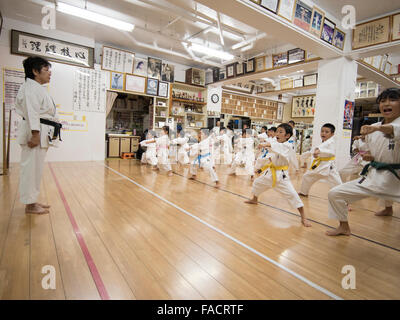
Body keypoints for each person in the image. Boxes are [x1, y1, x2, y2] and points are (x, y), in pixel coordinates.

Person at [327, 88, 400, 236]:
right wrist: (369, 156)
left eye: (392, 100)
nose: (386, 104)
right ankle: (344, 226)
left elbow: (393, 130)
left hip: (397, 179)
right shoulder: (374, 128)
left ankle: (388, 208)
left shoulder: (380, 127)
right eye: (383, 101)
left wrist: (377, 128)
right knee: (335, 193)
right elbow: (373, 152)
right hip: (374, 177)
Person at [244, 123, 311, 227]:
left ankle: (303, 216)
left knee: (292, 195)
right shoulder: (275, 143)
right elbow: (270, 156)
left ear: (287, 136)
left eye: (281, 132)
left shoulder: (287, 146)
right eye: (277, 131)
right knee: (257, 183)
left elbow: (280, 149)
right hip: (270, 173)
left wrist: (266, 145)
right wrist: (260, 168)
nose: (277, 134)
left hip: (281, 177)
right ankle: (254, 199)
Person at [15, 56, 57, 214]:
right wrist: (35, 134)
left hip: (40, 130)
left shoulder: (36, 88)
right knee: (30, 169)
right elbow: (32, 112)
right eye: (46, 70)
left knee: (35, 169)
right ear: (34, 71)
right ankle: (29, 205)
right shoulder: (30, 88)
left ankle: (32, 201)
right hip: (36, 132)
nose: (49, 73)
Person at [299, 123, 342, 197]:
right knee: (307, 176)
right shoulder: (324, 142)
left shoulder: (331, 142)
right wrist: (305, 156)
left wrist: (319, 151)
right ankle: (303, 192)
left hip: (329, 167)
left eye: (326, 132)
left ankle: (345, 202)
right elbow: (313, 150)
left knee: (337, 184)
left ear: (332, 134)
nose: (323, 133)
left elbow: (332, 153)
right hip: (319, 165)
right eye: (322, 131)